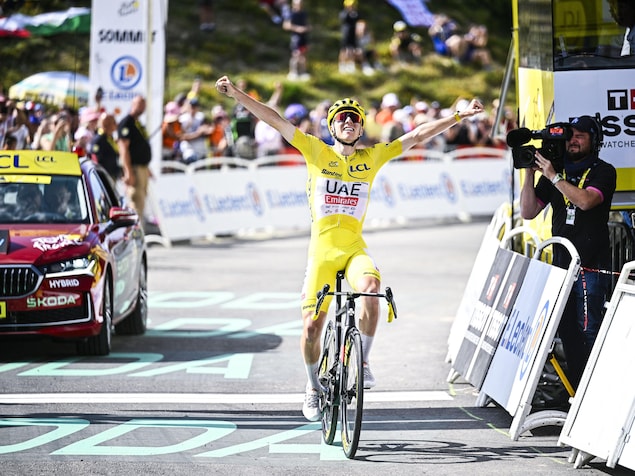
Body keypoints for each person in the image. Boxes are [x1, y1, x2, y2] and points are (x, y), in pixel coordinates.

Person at [215, 75, 484, 421]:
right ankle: (313, 387)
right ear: (332, 126)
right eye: (341, 117)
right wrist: (237, 93)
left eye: (354, 118)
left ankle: (364, 360)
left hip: (354, 248)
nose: (347, 121)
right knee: (312, 325)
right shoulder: (315, 150)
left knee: (372, 291)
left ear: (360, 129)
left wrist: (459, 116)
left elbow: (417, 135)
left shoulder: (372, 158)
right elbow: (274, 119)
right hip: (322, 253)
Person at [519, 115, 617, 390]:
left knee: (590, 330)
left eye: (580, 136)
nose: (572, 141)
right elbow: (528, 211)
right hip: (562, 266)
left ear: (594, 140)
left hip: (590, 265)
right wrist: (529, 172)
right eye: (570, 136)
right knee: (567, 332)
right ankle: (575, 390)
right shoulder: (556, 169)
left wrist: (553, 176)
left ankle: (596, 389)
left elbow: (586, 201)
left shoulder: (603, 170)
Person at [118, 95, 152, 219]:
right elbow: (123, 149)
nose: (142, 107)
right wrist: (128, 172)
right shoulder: (127, 123)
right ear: (133, 105)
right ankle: (135, 234)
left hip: (141, 167)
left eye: (144, 104)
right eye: (139, 104)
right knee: (136, 203)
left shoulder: (137, 124)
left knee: (141, 202)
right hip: (134, 169)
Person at [283, 0, 311, 80]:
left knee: (303, 55)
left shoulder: (304, 13)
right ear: (294, 4)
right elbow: (286, 25)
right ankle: (293, 72)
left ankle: (303, 73)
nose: (300, 5)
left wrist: (307, 28)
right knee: (295, 54)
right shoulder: (291, 14)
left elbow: (307, 24)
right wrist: (297, 28)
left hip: (304, 37)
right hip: (296, 37)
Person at [89, 113, 121, 182]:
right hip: (104, 177)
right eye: (114, 122)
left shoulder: (109, 138)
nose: (116, 125)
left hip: (111, 175)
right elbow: (95, 158)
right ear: (107, 124)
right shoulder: (99, 139)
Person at [338, 0, 360, 74]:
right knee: (344, 50)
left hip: (353, 34)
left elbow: (358, 22)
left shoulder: (355, 13)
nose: (352, 6)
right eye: (350, 5)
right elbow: (343, 19)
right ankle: (342, 65)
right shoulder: (343, 13)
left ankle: (350, 65)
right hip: (346, 34)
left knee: (352, 49)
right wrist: (348, 11)